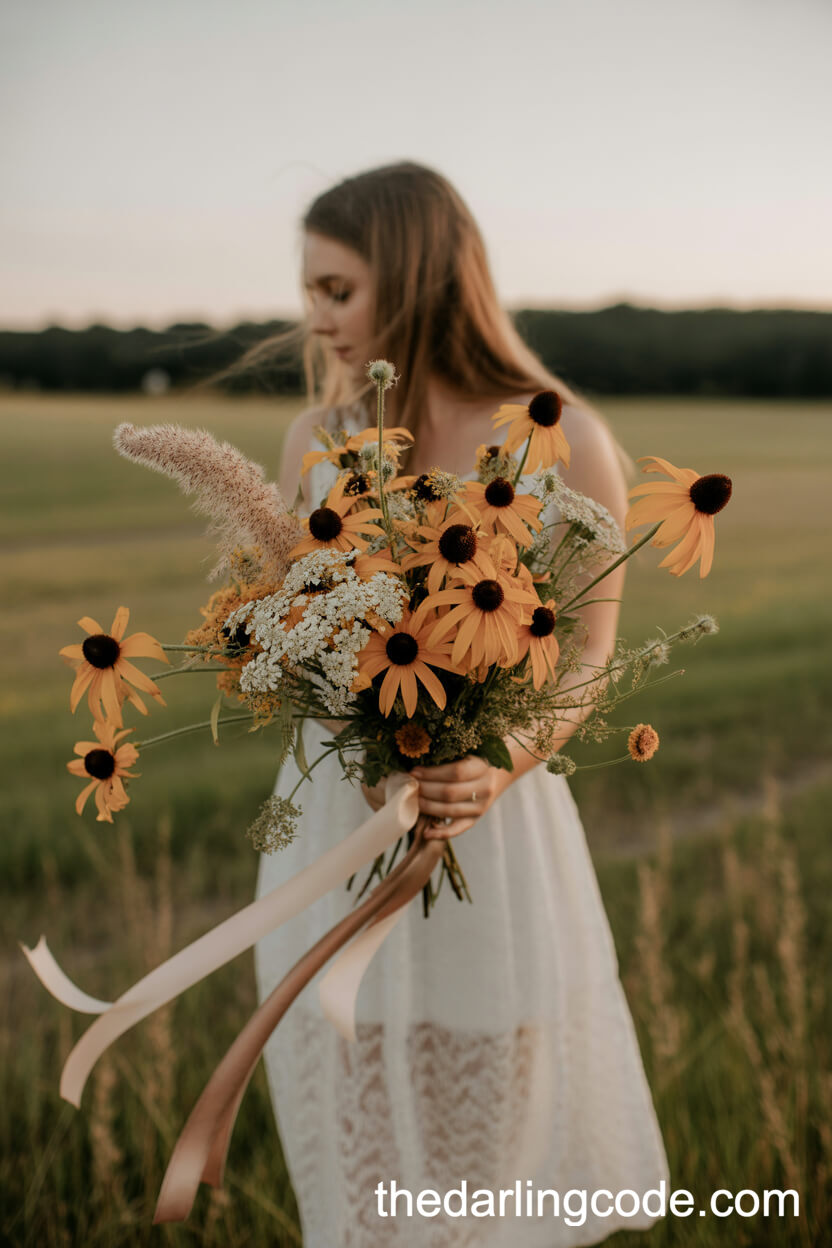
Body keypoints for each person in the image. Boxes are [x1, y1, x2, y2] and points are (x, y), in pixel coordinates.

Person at [252, 161, 670, 1246]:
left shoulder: (559, 434)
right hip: (340, 831)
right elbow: (295, 629)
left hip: (493, 832)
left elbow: (589, 653)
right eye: (311, 291)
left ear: (417, 275)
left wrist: (496, 757)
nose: (318, 317)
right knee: (361, 1162)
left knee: (492, 1171)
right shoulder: (313, 444)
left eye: (338, 289)